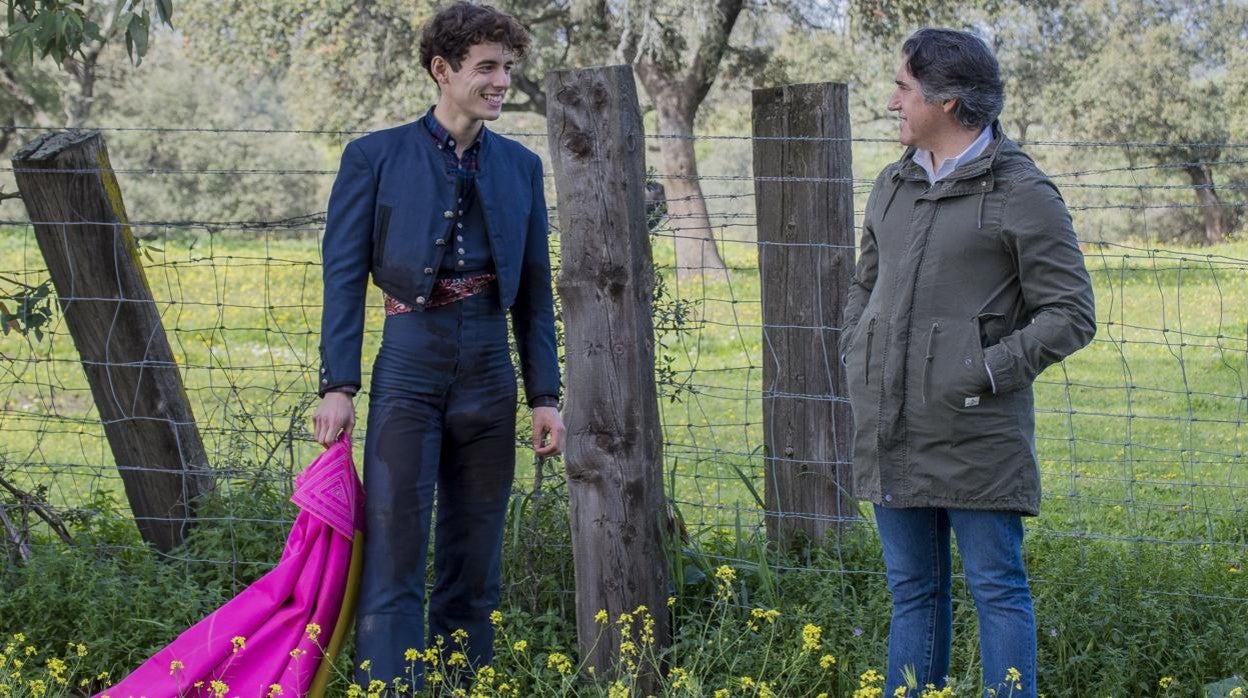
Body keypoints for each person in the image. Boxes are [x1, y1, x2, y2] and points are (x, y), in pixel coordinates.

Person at [311, 2, 565, 691]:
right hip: (408, 365)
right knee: (394, 554)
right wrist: (339, 384)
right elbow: (342, 276)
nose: (501, 81)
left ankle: (462, 685)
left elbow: (537, 291)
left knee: (474, 560)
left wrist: (546, 396)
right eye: (487, 67)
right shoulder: (374, 157)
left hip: (490, 370)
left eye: (508, 68)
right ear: (442, 71)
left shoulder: (521, 165)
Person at [840, 27, 1095, 698]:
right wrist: (857, 344)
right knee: (912, 594)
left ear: (947, 101)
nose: (892, 101)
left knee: (998, 591)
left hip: (976, 432)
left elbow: (1072, 314)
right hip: (891, 424)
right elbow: (866, 282)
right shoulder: (893, 185)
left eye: (902, 88)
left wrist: (980, 371)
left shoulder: (1022, 192)